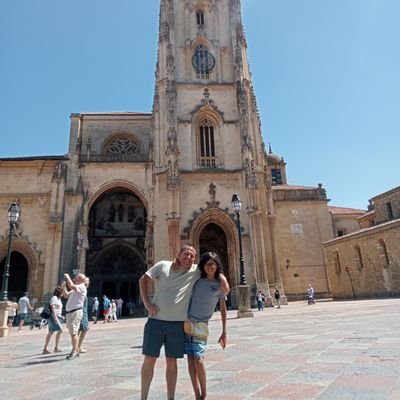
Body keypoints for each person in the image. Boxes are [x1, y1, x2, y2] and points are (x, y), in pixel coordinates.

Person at [139, 244, 229, 400]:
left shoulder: (196, 272)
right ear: (178, 254)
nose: (188, 258)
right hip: (161, 322)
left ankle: (182, 397)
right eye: (186, 254)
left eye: (192, 256)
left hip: (181, 324)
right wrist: (147, 304)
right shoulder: (163, 266)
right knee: (151, 359)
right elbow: (143, 279)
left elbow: (213, 269)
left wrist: (221, 276)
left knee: (179, 360)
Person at [184, 252, 227, 400]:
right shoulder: (197, 279)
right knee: (190, 359)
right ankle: (197, 395)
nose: (210, 267)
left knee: (198, 358)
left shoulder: (219, 285)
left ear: (217, 266)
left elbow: (223, 308)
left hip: (202, 324)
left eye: (213, 264)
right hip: (187, 322)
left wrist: (224, 331)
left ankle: (204, 394)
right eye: (207, 264)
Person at [63, 272, 87, 360]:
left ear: (80, 280)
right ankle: (75, 350)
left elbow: (72, 286)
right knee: (73, 333)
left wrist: (68, 277)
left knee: (74, 333)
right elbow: (65, 296)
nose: (76, 278)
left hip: (75, 312)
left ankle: (74, 351)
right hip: (70, 312)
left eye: (77, 277)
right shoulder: (75, 289)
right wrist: (64, 287)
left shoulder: (81, 287)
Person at [42, 285, 64, 354]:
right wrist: (55, 317)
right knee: (60, 330)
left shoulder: (58, 299)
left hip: (57, 317)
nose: (63, 293)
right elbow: (52, 307)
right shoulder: (54, 298)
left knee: (51, 332)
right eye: (62, 292)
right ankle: (55, 348)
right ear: (59, 292)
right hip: (53, 317)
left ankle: (46, 348)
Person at [77, 277, 90, 354]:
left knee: (80, 330)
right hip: (82, 312)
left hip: (82, 311)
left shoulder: (82, 289)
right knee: (83, 329)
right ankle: (77, 347)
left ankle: (77, 347)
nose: (88, 282)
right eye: (87, 281)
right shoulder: (81, 288)